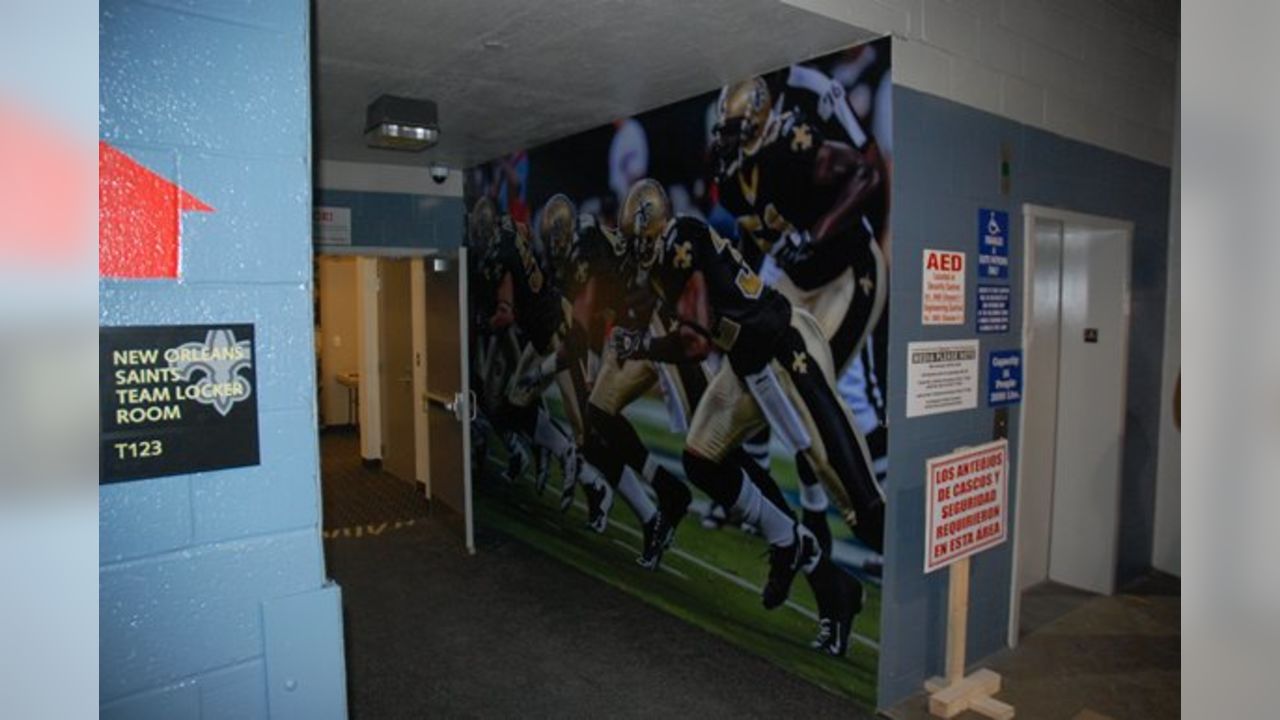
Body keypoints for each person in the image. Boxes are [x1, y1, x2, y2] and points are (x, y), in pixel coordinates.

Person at [613, 179, 877, 655]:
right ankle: (797, 546)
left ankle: (910, 597)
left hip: (784, 349)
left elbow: (694, 343)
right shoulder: (672, 250)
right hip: (749, 359)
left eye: (638, 242)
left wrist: (641, 345)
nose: (636, 253)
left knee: (855, 499)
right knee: (701, 458)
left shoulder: (680, 245)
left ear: (653, 233)